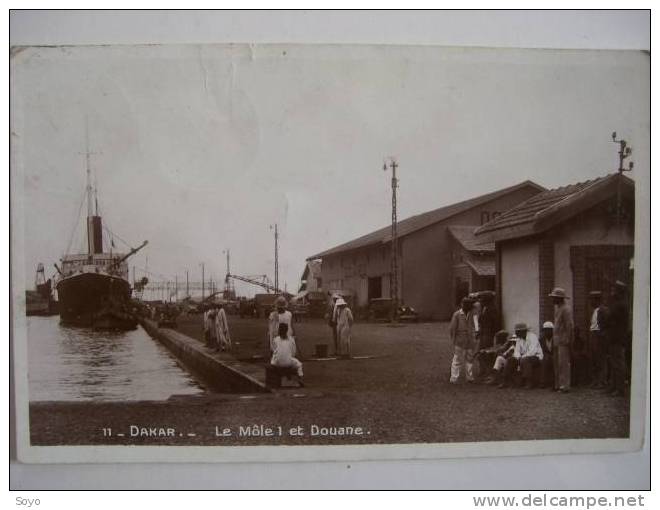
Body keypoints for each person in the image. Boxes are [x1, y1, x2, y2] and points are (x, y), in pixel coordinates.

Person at [501, 323, 543, 389]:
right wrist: (518, 357)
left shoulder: (532, 337)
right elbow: (517, 351)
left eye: (517, 331)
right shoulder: (519, 339)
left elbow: (532, 351)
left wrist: (522, 357)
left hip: (536, 357)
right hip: (523, 358)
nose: (516, 333)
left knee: (525, 360)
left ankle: (529, 382)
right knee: (510, 360)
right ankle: (505, 380)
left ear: (523, 331)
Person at [606, 281, 629, 397]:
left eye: (614, 290)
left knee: (618, 364)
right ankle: (614, 386)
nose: (611, 292)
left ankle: (619, 389)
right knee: (615, 363)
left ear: (619, 292)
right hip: (615, 338)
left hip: (617, 338)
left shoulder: (619, 305)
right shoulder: (618, 304)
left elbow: (611, 319)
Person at [550, 287, 574, 393]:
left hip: (563, 340)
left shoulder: (566, 309)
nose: (553, 299)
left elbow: (569, 325)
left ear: (560, 298)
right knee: (557, 363)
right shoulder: (558, 309)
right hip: (557, 339)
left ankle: (565, 386)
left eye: (554, 297)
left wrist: (568, 338)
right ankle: (558, 384)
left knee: (563, 363)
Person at [449, 297, 477, 384]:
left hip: (469, 339)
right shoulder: (457, 314)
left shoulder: (472, 314)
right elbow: (452, 328)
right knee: (457, 358)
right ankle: (454, 377)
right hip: (460, 340)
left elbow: (476, 326)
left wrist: (475, 335)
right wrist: (453, 339)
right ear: (462, 305)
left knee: (469, 358)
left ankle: (469, 377)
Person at [271, 323, 304, 387]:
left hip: (277, 363)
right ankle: (300, 378)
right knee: (299, 364)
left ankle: (285, 375)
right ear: (287, 330)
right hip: (288, 362)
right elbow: (293, 352)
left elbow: (273, 351)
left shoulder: (275, 339)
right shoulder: (291, 339)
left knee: (273, 359)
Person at [588, 291, 608, 388]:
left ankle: (602, 381)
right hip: (593, 335)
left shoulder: (603, 310)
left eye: (592, 299)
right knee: (594, 359)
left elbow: (607, 325)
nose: (591, 302)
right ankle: (596, 381)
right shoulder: (594, 310)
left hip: (599, 337)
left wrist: (602, 335)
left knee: (601, 359)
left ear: (597, 299)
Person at [539, 321, 554, 389]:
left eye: (549, 330)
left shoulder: (556, 338)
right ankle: (543, 382)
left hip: (555, 356)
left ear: (552, 330)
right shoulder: (541, 339)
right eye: (545, 330)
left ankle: (554, 382)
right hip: (545, 356)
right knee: (545, 360)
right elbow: (541, 350)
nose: (547, 332)